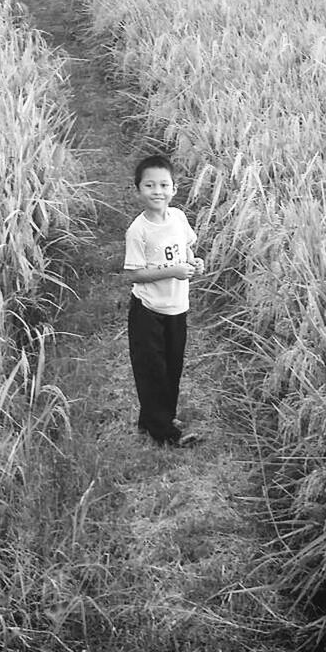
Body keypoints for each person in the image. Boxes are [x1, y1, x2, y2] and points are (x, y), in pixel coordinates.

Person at [123, 154, 204, 446]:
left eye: (163, 184)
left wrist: (194, 263)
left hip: (177, 307)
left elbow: (187, 249)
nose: (157, 191)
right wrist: (173, 270)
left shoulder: (179, 218)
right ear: (138, 190)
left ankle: (156, 418)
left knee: (172, 366)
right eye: (149, 185)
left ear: (174, 189)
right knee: (151, 369)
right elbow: (133, 273)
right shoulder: (139, 230)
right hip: (148, 311)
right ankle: (165, 434)